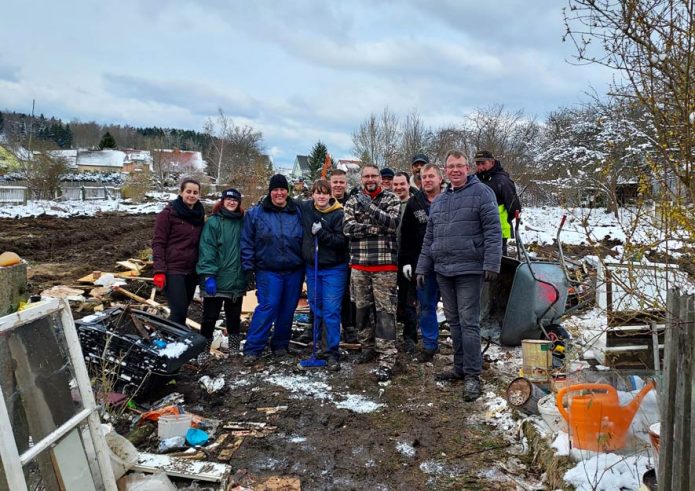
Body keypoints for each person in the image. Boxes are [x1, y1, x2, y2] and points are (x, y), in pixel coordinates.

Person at [416, 150, 502, 402]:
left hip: (470, 270)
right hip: (444, 270)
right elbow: (429, 238)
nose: (455, 170)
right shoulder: (441, 201)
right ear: (445, 171)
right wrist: (423, 267)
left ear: (468, 168)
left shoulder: (482, 194)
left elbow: (493, 231)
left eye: (459, 166)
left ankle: (473, 375)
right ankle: (459, 366)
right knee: (454, 322)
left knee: (469, 322)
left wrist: (492, 263)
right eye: (450, 166)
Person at [343, 164, 401, 382]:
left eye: (373, 176)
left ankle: (387, 358)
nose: (370, 179)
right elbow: (347, 228)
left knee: (386, 313)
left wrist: (369, 209)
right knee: (361, 309)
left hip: (385, 266)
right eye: (366, 176)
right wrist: (376, 227)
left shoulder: (391, 199)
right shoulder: (352, 200)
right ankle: (367, 347)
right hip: (359, 265)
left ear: (380, 178)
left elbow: (393, 223)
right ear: (361, 178)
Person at [241, 174, 304, 364]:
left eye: (282, 189)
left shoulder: (297, 212)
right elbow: (246, 241)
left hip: (294, 269)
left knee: (288, 308)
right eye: (275, 190)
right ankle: (253, 348)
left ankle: (280, 345)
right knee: (268, 306)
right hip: (268, 269)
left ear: (287, 191)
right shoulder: (256, 214)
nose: (279, 193)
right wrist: (248, 266)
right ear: (270, 192)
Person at [299, 179, 349, 371]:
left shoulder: (339, 214)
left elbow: (341, 241)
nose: (321, 196)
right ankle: (319, 346)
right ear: (312, 194)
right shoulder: (307, 209)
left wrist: (322, 234)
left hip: (334, 269)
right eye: (318, 193)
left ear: (330, 195)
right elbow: (290, 201)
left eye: (325, 193)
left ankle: (332, 352)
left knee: (331, 310)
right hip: (313, 268)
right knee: (316, 307)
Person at [399, 163, 444, 362]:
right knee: (426, 305)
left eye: (431, 176)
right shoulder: (414, 202)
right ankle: (429, 345)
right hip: (423, 264)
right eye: (424, 177)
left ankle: (463, 347)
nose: (427, 180)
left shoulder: (450, 198)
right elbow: (406, 235)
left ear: (440, 179)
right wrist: (407, 262)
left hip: (449, 263)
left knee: (454, 307)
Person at [196, 188, 246, 359]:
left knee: (234, 317)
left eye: (235, 200)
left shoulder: (243, 222)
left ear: (239, 203)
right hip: (216, 279)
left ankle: (233, 350)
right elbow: (207, 249)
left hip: (236, 279)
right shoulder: (213, 223)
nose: (231, 202)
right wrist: (209, 275)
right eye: (228, 199)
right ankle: (203, 351)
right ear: (223, 201)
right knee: (209, 317)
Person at [152, 178, 205, 327]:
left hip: (191, 270)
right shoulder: (168, 214)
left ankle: (174, 339)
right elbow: (158, 243)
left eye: (195, 192)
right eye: (188, 191)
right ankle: (172, 343)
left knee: (183, 310)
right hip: (173, 269)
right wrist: (159, 270)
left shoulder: (199, 215)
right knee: (179, 311)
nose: (192, 195)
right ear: (181, 192)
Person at [474, 150, 521, 256]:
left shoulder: (503, 181)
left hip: (499, 233)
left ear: (492, 162)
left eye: (483, 163)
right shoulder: (474, 180)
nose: (480, 167)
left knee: (500, 265)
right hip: (478, 232)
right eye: (478, 164)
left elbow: (515, 208)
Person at [330, 169, 357, 342]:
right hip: (328, 256)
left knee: (348, 294)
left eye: (341, 182)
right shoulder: (323, 201)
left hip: (348, 255)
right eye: (335, 182)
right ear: (330, 183)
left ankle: (349, 327)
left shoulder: (351, 202)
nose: (338, 185)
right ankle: (316, 328)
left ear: (346, 183)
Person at [392, 171, 417, 353]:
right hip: (388, 259)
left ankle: (410, 337)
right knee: (389, 300)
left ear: (408, 185)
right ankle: (388, 336)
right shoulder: (388, 204)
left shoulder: (415, 204)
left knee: (409, 300)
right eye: (396, 184)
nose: (399, 188)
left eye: (402, 184)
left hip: (409, 259)